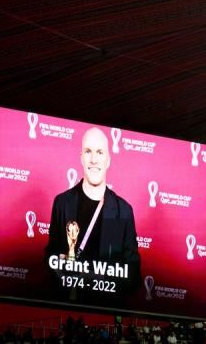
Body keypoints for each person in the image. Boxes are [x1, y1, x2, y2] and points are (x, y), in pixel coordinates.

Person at [45, 127, 141, 304]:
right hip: (68, 302)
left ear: (108, 160)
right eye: (88, 152)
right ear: (81, 157)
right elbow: (50, 257)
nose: (94, 159)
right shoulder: (62, 203)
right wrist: (59, 265)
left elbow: (133, 272)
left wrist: (99, 279)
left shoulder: (123, 210)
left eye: (100, 152)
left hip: (106, 306)